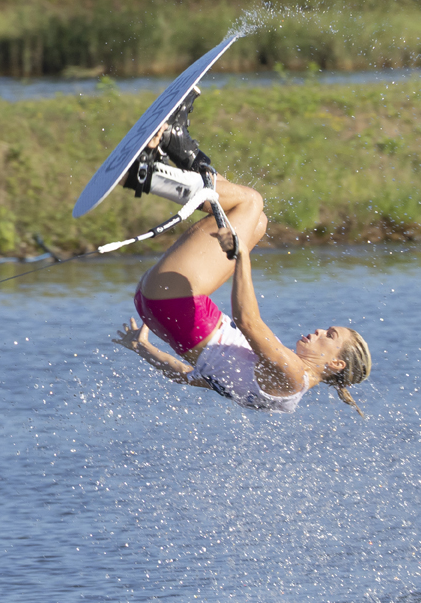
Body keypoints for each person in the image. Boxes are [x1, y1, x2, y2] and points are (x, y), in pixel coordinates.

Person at [112, 92, 372, 415]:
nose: (319, 331)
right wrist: (142, 347)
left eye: (329, 335)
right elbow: (191, 377)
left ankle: (147, 175)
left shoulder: (292, 374)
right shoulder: (285, 398)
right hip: (160, 310)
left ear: (335, 362)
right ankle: (176, 141)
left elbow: (246, 319)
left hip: (177, 305)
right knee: (256, 224)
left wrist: (242, 257)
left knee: (252, 203)